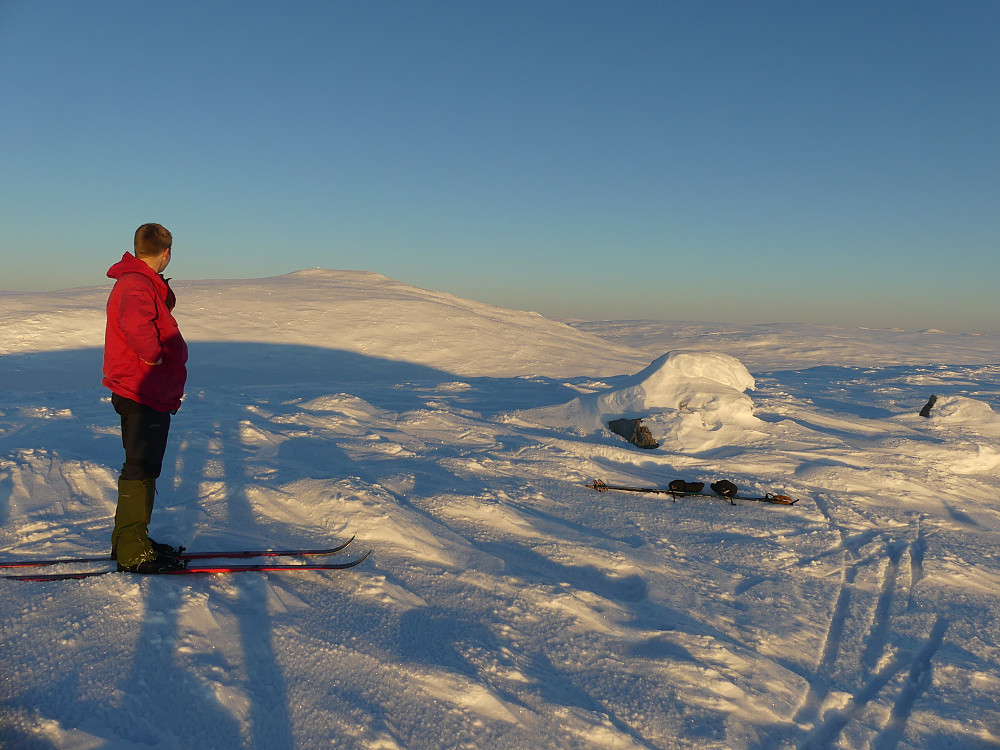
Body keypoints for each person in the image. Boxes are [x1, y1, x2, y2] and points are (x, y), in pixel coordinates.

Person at [102, 223, 188, 573]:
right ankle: (131, 550)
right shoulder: (136, 284)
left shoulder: (138, 281)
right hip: (141, 389)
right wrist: (155, 359)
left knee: (146, 467)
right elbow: (138, 327)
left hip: (145, 389)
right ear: (166, 253)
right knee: (140, 468)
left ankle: (131, 540)